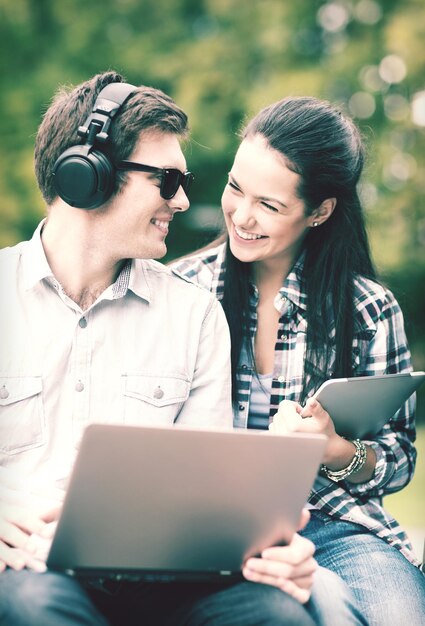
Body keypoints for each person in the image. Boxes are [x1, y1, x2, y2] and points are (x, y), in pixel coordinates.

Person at [0, 72, 365, 626]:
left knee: (276, 613)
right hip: (29, 573)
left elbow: (209, 500)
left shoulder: (193, 314)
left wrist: (270, 550)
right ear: (87, 178)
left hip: (163, 573)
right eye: (167, 180)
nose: (186, 199)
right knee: (37, 607)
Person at [172, 95, 425, 625]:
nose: (241, 216)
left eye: (270, 205)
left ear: (320, 211)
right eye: (235, 188)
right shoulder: (182, 291)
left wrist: (334, 450)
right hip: (211, 528)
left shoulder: (368, 311)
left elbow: (398, 458)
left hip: (337, 527)